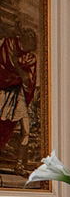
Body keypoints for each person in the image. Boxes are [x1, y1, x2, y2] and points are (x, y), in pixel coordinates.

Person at [0, 28, 38, 172]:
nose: (31, 46)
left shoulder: (30, 58)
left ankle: (19, 165)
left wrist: (20, 74)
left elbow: (29, 80)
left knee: (26, 129)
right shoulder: (9, 45)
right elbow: (4, 66)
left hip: (19, 93)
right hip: (5, 90)